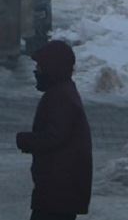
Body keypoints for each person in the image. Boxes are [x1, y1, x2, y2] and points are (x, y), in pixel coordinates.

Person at [15, 40, 94, 219]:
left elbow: (54, 136)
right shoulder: (61, 92)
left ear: (53, 68)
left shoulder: (61, 97)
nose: (37, 72)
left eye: (40, 67)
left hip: (59, 189)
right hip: (60, 189)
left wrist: (26, 140)